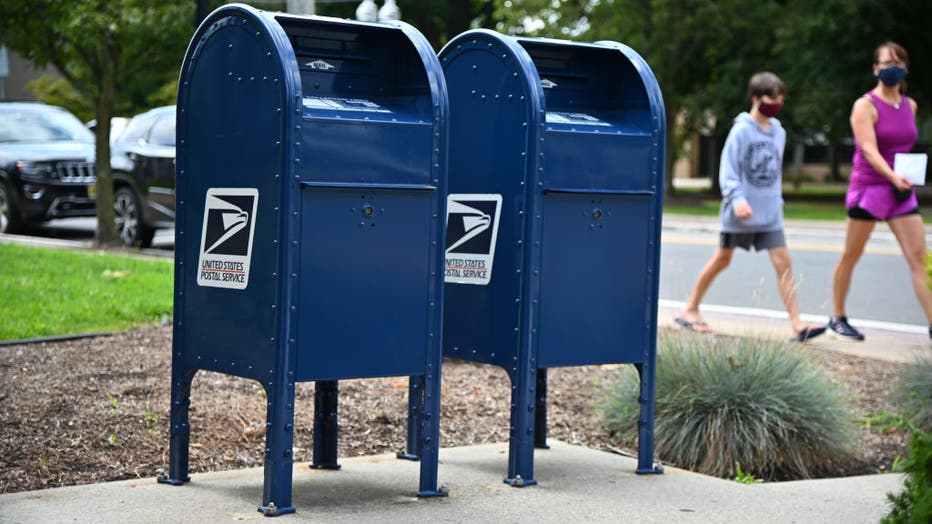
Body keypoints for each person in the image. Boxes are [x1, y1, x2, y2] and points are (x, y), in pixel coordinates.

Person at [676, 72, 826, 342]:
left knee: (784, 262)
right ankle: (689, 309)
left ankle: (797, 324)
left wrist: (776, 202)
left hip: (769, 213)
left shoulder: (779, 131)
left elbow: (775, 172)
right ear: (756, 98)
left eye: (781, 98)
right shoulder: (741, 130)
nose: (777, 103)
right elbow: (728, 170)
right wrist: (738, 200)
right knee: (722, 259)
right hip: (741, 212)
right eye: (772, 98)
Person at [828, 41, 932, 341]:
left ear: (906, 68)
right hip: (870, 188)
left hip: (900, 192)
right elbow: (870, 150)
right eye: (886, 63)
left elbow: (904, 145)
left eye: (898, 63)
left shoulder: (910, 105)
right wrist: (892, 176)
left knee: (919, 256)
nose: (892, 68)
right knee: (852, 254)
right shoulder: (865, 105)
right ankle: (838, 317)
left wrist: (905, 176)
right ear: (875, 68)